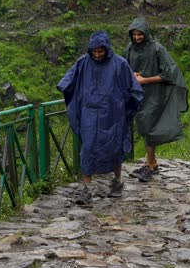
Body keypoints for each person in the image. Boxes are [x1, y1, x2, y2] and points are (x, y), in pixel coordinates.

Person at [58, 30, 143, 204]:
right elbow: (68, 81)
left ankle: (117, 182)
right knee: (87, 149)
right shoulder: (83, 63)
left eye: (101, 51)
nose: (98, 55)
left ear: (107, 49)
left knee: (115, 148)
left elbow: (133, 88)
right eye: (95, 51)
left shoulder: (119, 64)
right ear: (90, 50)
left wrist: (127, 103)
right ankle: (86, 189)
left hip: (113, 114)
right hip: (89, 115)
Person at [122, 17, 188, 182]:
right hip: (138, 95)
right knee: (144, 128)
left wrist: (144, 80)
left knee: (150, 128)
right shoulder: (130, 48)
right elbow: (123, 68)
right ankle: (151, 163)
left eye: (140, 34)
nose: (137, 37)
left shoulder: (157, 48)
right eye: (135, 34)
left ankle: (150, 166)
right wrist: (132, 76)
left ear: (146, 33)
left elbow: (168, 73)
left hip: (155, 94)